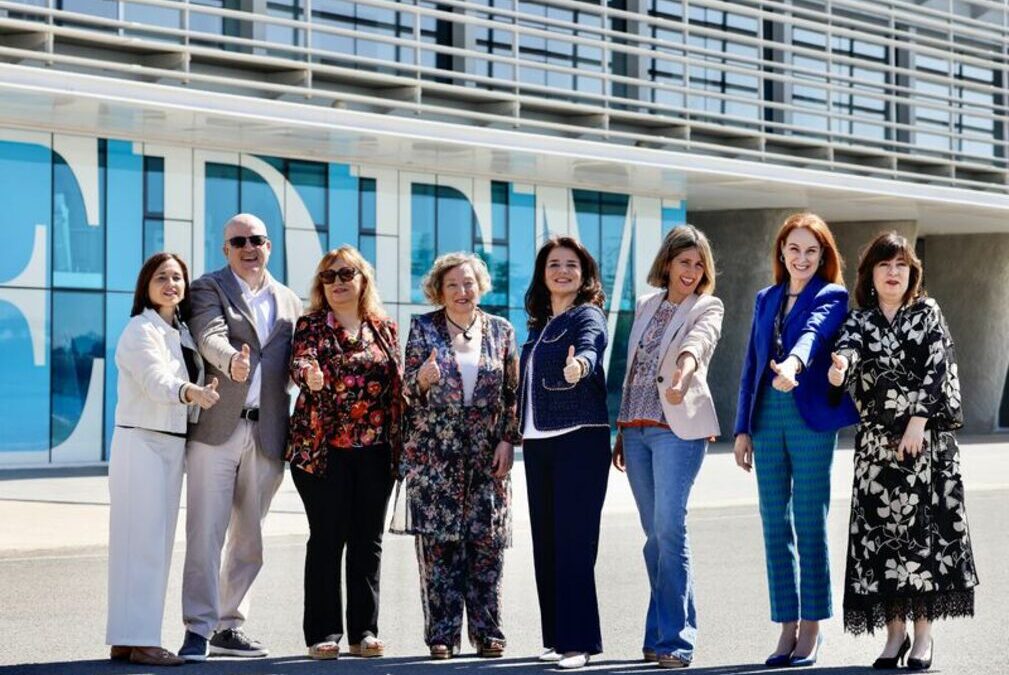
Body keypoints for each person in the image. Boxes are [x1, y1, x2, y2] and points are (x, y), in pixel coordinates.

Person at [828, 232, 978, 670]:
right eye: (883, 265)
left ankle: (924, 633)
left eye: (900, 265)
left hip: (927, 448)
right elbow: (847, 357)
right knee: (885, 543)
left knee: (923, 543)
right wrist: (838, 371)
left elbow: (941, 368)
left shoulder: (927, 313)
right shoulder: (859, 322)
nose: (892, 273)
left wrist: (916, 423)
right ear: (870, 275)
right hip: (878, 452)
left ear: (911, 271)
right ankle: (894, 634)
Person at [732, 212, 859, 667]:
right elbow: (750, 364)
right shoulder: (765, 298)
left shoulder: (833, 295)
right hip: (767, 415)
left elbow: (814, 334)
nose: (802, 258)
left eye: (811, 250)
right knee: (773, 522)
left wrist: (794, 366)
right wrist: (743, 427)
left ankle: (812, 627)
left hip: (809, 417)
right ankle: (786, 624)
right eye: (794, 249)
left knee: (808, 519)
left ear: (822, 255)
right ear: (781, 253)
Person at [178, 213, 304, 661]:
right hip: (217, 428)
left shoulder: (290, 301)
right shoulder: (208, 288)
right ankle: (198, 626)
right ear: (225, 249)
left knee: (250, 536)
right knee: (205, 531)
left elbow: (299, 358)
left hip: (268, 429)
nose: (249, 247)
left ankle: (229, 625)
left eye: (258, 240)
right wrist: (231, 359)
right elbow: (208, 334)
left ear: (269, 246)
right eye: (239, 241)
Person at [394, 252, 521, 660]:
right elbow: (407, 395)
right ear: (439, 291)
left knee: (486, 547)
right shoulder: (423, 328)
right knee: (439, 551)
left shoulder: (501, 331)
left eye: (468, 283)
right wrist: (421, 380)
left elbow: (512, 395)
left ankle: (488, 632)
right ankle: (441, 635)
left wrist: (507, 440)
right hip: (436, 456)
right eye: (453, 285)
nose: (462, 292)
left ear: (480, 285)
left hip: (488, 454)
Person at [612, 226, 723, 669]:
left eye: (699, 265)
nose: (692, 272)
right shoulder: (645, 305)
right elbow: (634, 368)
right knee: (654, 537)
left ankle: (676, 639)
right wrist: (621, 429)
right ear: (668, 263)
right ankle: (657, 632)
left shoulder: (707, 305)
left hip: (677, 430)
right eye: (684, 263)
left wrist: (683, 373)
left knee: (670, 530)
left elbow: (700, 343)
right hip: (636, 430)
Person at [286, 246, 402, 660]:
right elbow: (300, 362)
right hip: (322, 452)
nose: (337, 282)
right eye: (329, 276)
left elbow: (398, 382)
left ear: (362, 279)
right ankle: (324, 633)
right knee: (327, 539)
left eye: (345, 274)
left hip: (375, 452)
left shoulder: (384, 328)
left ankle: (364, 632)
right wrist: (310, 376)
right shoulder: (312, 325)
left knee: (367, 542)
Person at [106, 253, 219, 667]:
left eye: (177, 277)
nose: (171, 283)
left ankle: (126, 638)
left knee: (149, 544)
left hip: (170, 445)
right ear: (145, 285)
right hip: (142, 444)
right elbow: (157, 382)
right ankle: (143, 641)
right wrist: (192, 393)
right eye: (161, 277)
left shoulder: (180, 331)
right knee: (142, 546)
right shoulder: (140, 330)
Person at [519, 235, 610, 671]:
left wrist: (581, 365)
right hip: (538, 442)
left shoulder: (586, 315)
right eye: (554, 264)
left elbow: (593, 344)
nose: (562, 270)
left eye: (571, 264)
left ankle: (580, 642)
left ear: (584, 273)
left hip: (579, 439)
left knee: (574, 544)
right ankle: (555, 636)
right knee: (547, 544)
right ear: (543, 274)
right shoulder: (539, 328)